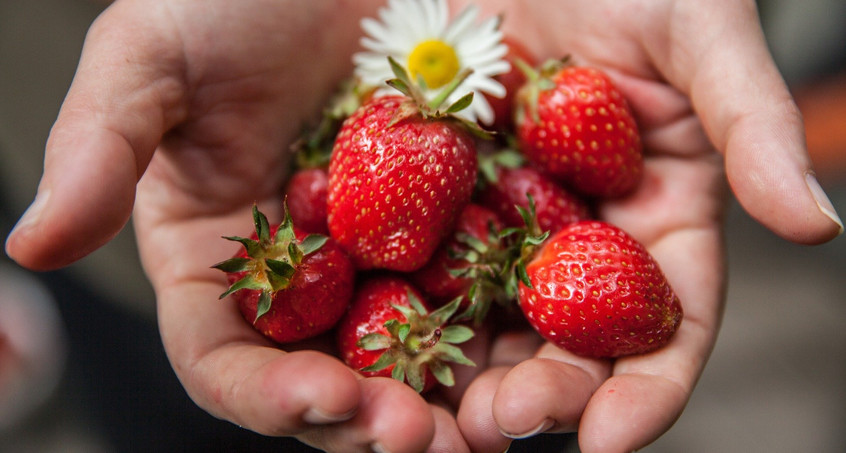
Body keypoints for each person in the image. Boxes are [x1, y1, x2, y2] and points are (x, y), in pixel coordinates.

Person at [4, 0, 842, 452]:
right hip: (97, 132)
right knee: (155, 401)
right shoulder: (387, 175)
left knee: (530, 424)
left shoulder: (455, 175)